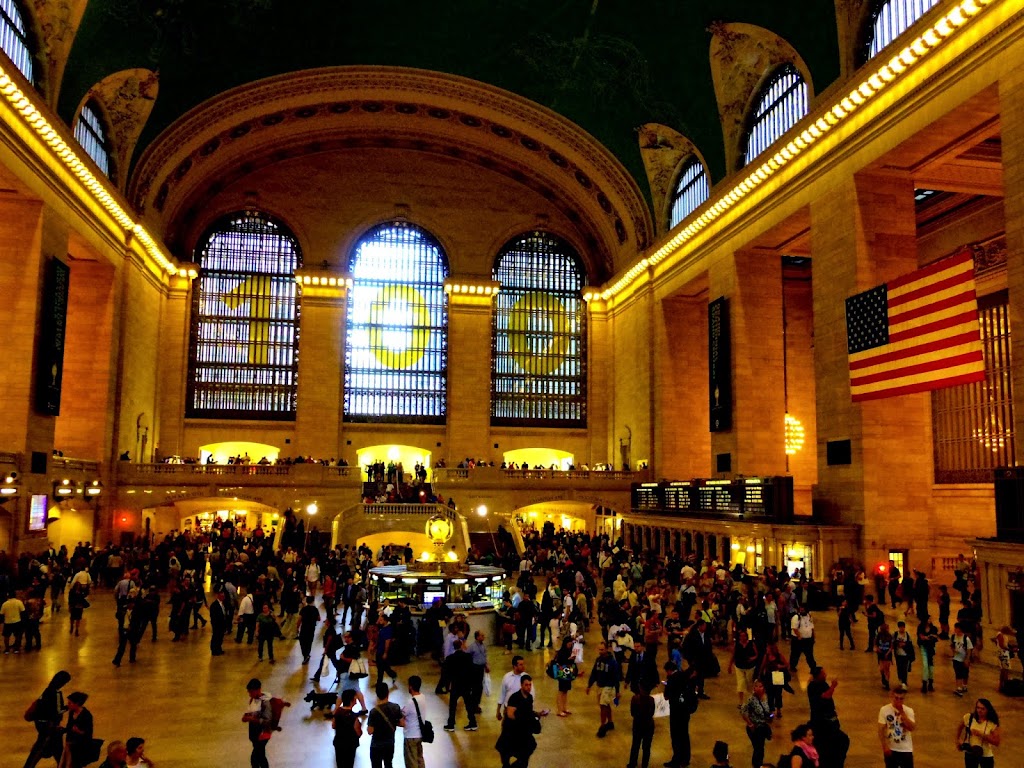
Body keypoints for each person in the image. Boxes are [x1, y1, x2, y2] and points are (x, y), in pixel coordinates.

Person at [495, 674, 545, 768]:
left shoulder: (529, 698)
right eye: (526, 685)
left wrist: (537, 714)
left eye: (530, 685)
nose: (529, 687)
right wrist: (524, 721)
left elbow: (528, 712)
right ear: (521, 685)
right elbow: (510, 714)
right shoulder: (514, 698)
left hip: (523, 732)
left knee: (525, 756)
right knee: (506, 757)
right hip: (511, 732)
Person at [24, 670, 72, 768]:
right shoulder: (57, 693)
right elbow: (59, 710)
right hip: (50, 726)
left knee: (53, 747)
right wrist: (68, 707)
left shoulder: (47, 690)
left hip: (40, 723)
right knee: (42, 748)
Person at [806, 666, 849, 768]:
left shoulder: (823, 683)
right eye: (823, 674)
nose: (825, 675)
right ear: (818, 675)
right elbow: (826, 696)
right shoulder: (813, 686)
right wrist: (833, 686)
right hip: (820, 720)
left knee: (842, 739)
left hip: (829, 717)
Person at [662, 661, 699, 768]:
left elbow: (666, 696)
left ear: (668, 671)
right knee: (684, 735)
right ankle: (685, 759)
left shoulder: (671, 679)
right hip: (685, 711)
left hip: (676, 712)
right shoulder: (684, 676)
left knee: (676, 736)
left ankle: (676, 759)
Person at [586, 640, 621, 737]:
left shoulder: (613, 663)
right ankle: (610, 722)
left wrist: (617, 691)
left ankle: (602, 726)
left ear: (607, 649)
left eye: (602, 649)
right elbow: (594, 673)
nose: (600, 651)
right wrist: (589, 685)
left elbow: (616, 677)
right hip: (600, 686)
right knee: (605, 705)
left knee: (603, 705)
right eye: (599, 649)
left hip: (608, 686)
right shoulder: (598, 660)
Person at [367, 682, 404, 768]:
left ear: (376, 694)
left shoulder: (374, 711)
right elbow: (402, 723)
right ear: (388, 693)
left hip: (376, 745)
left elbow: (370, 731)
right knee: (388, 763)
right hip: (389, 743)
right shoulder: (395, 707)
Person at [443, 639, 477, 731]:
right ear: (461, 645)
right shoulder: (468, 657)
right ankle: (473, 722)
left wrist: (447, 685)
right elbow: (472, 670)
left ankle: (451, 724)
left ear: (454, 647)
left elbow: (447, 673)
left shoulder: (450, 658)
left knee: (453, 705)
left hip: (456, 684)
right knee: (468, 704)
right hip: (466, 684)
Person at [954, 698, 1000, 768]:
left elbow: (996, 742)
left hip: (986, 755)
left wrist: (981, 734)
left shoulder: (992, 723)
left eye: (983, 709)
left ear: (988, 710)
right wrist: (957, 740)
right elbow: (959, 727)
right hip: (970, 753)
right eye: (978, 708)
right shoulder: (969, 717)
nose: (979, 710)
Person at [877, 684, 916, 768]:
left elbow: (912, 728)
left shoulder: (908, 711)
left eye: (901, 699)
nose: (898, 701)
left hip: (906, 749)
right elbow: (881, 730)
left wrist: (903, 714)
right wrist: (885, 746)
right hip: (891, 749)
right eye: (896, 698)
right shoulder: (884, 710)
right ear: (892, 696)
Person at [740, 679, 772, 768]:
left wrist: (771, 716)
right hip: (754, 728)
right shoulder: (751, 699)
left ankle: (759, 764)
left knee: (761, 748)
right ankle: (757, 765)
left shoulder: (766, 698)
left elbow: (768, 711)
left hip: (763, 727)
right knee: (758, 748)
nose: (758, 688)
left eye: (760, 686)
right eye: (756, 686)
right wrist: (750, 724)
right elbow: (743, 711)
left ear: (764, 688)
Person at [242, 678, 272, 768]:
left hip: (262, 735)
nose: (249, 694)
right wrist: (246, 716)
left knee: (256, 758)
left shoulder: (266, 703)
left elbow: (267, 721)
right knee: (260, 756)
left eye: (251, 692)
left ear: (258, 690)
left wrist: (251, 719)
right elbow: (249, 712)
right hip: (255, 735)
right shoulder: (252, 700)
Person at [58, 692, 93, 768]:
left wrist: (79, 731)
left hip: (79, 748)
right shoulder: (71, 713)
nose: (68, 705)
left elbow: (89, 733)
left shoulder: (86, 715)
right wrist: (62, 730)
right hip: (69, 745)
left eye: (70, 703)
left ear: (77, 703)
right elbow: (69, 727)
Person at [627, 682, 655, 768]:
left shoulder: (635, 699)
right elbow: (652, 713)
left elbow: (632, 713)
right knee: (646, 747)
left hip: (638, 725)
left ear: (641, 689)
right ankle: (644, 765)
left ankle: (632, 763)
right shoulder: (651, 699)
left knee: (635, 745)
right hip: (649, 725)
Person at [728, 629, 759, 706]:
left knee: (749, 684)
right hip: (739, 667)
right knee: (740, 684)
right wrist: (730, 665)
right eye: (741, 636)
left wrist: (752, 658)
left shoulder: (751, 644)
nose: (743, 637)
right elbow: (733, 655)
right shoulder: (737, 645)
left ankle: (752, 700)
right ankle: (741, 702)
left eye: (744, 636)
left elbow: (757, 654)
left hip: (750, 667)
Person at [401, 676, 427, 768]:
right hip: (420, 734)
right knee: (419, 759)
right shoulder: (423, 697)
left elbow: (402, 716)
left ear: (411, 687)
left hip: (411, 735)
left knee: (411, 762)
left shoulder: (410, 702)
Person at [333, 689, 362, 768]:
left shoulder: (338, 711)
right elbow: (358, 733)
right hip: (350, 745)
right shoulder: (354, 717)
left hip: (338, 743)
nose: (356, 700)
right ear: (351, 700)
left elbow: (333, 725)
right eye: (355, 698)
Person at [552, 635, 579, 717]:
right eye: (569, 643)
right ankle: (559, 709)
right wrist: (569, 659)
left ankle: (564, 708)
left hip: (568, 672)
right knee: (561, 691)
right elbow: (560, 661)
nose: (570, 644)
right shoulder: (562, 652)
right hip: (562, 672)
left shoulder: (569, 651)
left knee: (565, 691)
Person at [496, 655, 526, 721]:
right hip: (508, 710)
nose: (523, 666)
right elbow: (502, 694)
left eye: (523, 664)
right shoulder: (506, 677)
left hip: (521, 711)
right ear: (515, 666)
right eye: (520, 664)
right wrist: (498, 710)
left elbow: (531, 695)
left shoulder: (526, 678)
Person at [789, 605, 816, 673]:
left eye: (803, 610)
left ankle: (813, 668)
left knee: (809, 655)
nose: (801, 611)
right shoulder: (796, 617)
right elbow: (794, 628)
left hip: (808, 640)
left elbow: (812, 627)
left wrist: (813, 637)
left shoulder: (809, 616)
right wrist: (799, 636)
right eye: (800, 610)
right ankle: (792, 666)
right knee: (795, 654)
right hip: (798, 640)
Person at [916, 616, 938, 694]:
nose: (930, 620)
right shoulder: (920, 628)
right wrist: (927, 638)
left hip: (931, 648)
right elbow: (920, 637)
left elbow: (936, 638)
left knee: (931, 666)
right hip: (924, 647)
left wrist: (929, 637)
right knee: (925, 665)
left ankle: (930, 683)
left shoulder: (934, 628)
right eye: (928, 619)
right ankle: (925, 683)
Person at [951, 622, 974, 697]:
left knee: (965, 673)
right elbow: (952, 646)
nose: (955, 630)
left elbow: (969, 649)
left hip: (964, 659)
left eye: (956, 628)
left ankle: (964, 685)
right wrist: (954, 651)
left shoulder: (966, 639)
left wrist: (967, 659)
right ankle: (959, 688)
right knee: (958, 673)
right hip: (956, 658)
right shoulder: (953, 637)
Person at [297, 595, 321, 664]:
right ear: (313, 601)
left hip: (304, 628)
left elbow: (299, 620)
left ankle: (305, 655)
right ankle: (307, 654)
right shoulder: (315, 609)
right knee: (309, 642)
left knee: (302, 641)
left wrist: (297, 628)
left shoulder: (304, 609)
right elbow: (319, 619)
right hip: (312, 628)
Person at [209, 588, 228, 656]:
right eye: (222, 596)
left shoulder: (223, 604)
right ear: (218, 596)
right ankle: (214, 650)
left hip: (222, 624)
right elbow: (213, 617)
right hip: (217, 625)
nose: (223, 597)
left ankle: (219, 648)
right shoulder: (214, 605)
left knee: (220, 637)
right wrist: (215, 625)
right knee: (216, 637)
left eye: (224, 596)